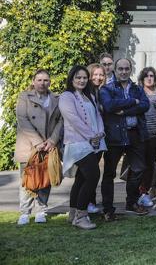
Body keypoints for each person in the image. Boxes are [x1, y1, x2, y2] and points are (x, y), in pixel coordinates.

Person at [100, 58, 150, 220]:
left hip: (135, 133)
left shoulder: (136, 88)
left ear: (131, 70)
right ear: (115, 70)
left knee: (138, 169)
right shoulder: (107, 89)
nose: (123, 71)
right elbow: (109, 106)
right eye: (120, 69)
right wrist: (132, 102)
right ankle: (108, 209)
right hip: (114, 135)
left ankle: (131, 202)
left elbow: (145, 105)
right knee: (109, 173)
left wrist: (126, 110)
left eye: (126, 68)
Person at [58, 66, 106, 229]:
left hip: (93, 142)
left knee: (82, 178)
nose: (82, 80)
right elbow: (73, 119)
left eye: (85, 77)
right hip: (77, 143)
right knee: (93, 175)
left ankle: (73, 214)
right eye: (78, 77)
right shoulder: (66, 96)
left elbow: (98, 116)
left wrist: (100, 132)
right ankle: (81, 216)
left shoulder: (89, 95)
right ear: (72, 79)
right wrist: (92, 135)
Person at [15, 70, 64, 226]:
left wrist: (52, 140)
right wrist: (37, 142)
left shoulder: (56, 98)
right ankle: (24, 212)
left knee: (45, 179)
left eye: (46, 80)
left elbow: (61, 122)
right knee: (27, 179)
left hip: (49, 145)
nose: (42, 83)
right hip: (29, 145)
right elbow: (22, 119)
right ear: (33, 81)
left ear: (50, 82)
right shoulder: (24, 97)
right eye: (39, 80)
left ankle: (41, 210)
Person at [136, 67, 156, 208]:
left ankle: (145, 192)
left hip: (155, 135)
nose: (149, 78)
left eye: (152, 76)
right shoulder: (138, 92)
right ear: (142, 78)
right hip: (140, 134)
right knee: (139, 165)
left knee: (151, 165)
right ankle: (137, 193)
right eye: (146, 76)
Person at [85, 63, 106, 213]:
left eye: (101, 75)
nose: (98, 78)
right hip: (87, 138)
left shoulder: (99, 92)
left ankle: (89, 202)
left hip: (99, 137)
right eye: (95, 74)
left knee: (92, 172)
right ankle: (85, 203)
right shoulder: (85, 93)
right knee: (88, 173)